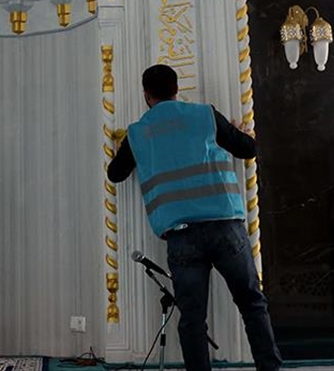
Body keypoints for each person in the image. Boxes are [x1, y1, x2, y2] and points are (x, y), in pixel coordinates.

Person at [107, 64, 282, 371]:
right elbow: (248, 149)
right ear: (177, 89)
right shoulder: (205, 115)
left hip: (182, 236)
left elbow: (115, 174)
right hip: (225, 228)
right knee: (252, 304)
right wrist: (242, 133)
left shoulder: (137, 133)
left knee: (192, 318)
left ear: (146, 95)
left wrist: (127, 145)